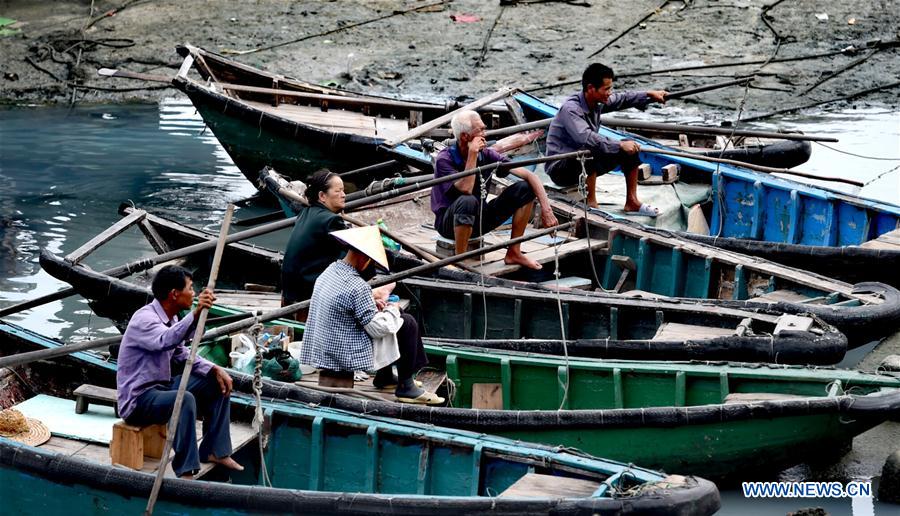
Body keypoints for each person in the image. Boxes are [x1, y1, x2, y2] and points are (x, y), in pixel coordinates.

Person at [116, 265, 242, 479]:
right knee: (184, 399)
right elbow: (165, 340)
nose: (193, 293)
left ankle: (215, 450)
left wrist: (214, 368)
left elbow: (181, 354)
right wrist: (195, 314)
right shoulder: (144, 319)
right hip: (139, 400)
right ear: (174, 294)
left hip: (162, 387)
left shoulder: (172, 318)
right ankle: (186, 469)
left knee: (217, 384)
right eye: (190, 289)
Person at [301, 226, 443, 404]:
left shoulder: (331, 270)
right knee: (406, 322)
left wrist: (373, 303)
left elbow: (346, 303)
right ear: (363, 258)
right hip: (343, 354)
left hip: (324, 346)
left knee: (392, 318)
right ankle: (406, 386)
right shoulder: (356, 286)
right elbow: (377, 329)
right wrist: (393, 308)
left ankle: (384, 378)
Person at [431, 110, 559, 270]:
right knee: (467, 200)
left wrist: (547, 210)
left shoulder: (487, 154)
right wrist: (472, 155)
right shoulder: (445, 159)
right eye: (481, 131)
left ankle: (514, 252)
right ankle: (460, 263)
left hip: (479, 218)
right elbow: (466, 189)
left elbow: (529, 176)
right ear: (465, 137)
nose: (485, 134)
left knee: (525, 188)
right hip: (449, 224)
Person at [546, 63, 668, 215]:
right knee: (589, 148)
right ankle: (591, 203)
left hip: (583, 166)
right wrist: (618, 145)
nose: (610, 93)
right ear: (591, 88)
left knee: (629, 147)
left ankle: (632, 202)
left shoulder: (597, 100)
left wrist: (649, 95)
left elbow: (622, 98)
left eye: (610, 88)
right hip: (560, 169)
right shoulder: (571, 109)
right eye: (607, 89)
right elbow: (586, 138)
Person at [281, 169, 349, 321]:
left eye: (343, 191)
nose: (344, 195)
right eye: (338, 191)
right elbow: (349, 257)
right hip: (308, 295)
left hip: (290, 291)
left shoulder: (305, 213)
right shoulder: (331, 220)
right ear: (322, 196)